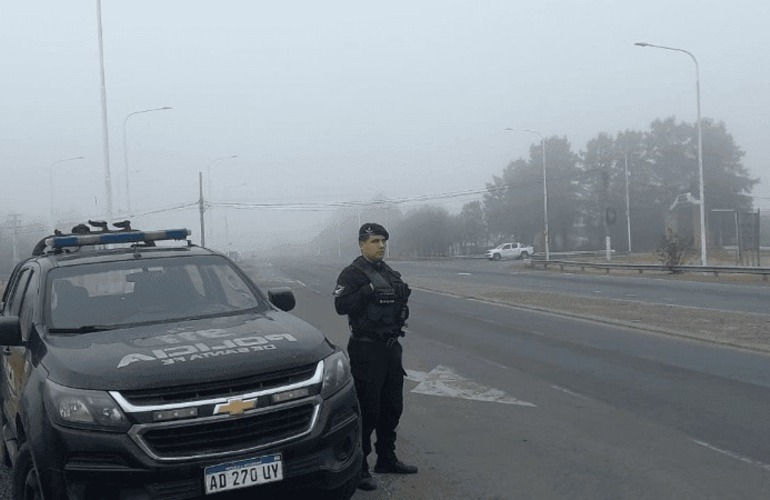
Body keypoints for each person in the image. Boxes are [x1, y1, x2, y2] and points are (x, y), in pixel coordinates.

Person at [333, 223, 418, 491]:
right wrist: (366, 291)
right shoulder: (352, 273)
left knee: (392, 406)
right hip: (366, 349)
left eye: (383, 241)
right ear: (362, 244)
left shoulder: (388, 272)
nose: (381, 245)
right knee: (368, 410)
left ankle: (387, 458)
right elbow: (340, 306)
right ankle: (360, 467)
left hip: (391, 348)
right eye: (375, 241)